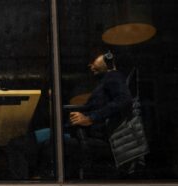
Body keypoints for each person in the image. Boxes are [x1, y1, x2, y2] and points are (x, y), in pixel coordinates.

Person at [7, 51, 132, 179]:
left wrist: (91, 118)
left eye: (93, 60)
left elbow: (124, 100)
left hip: (83, 134)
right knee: (21, 144)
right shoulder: (105, 81)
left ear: (107, 58)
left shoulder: (113, 76)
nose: (90, 65)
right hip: (74, 132)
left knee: (20, 145)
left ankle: (25, 184)